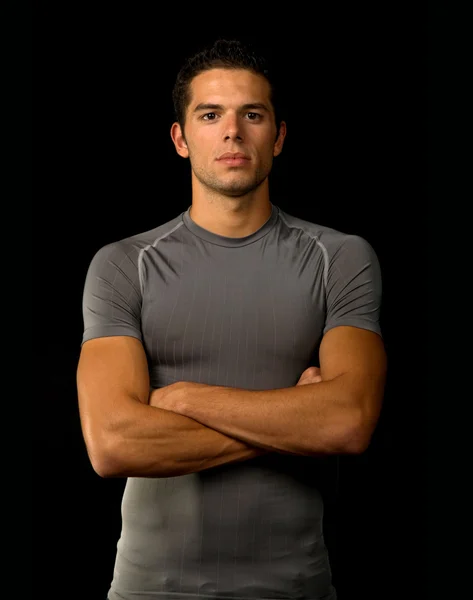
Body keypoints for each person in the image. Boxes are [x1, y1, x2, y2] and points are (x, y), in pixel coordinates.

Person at [76, 38, 387, 600]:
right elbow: (113, 445)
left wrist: (184, 398)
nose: (233, 132)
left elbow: (348, 421)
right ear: (180, 138)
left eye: (253, 114)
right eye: (210, 114)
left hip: (296, 586)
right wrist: (295, 423)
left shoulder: (340, 258)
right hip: (151, 588)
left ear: (280, 136)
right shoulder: (124, 265)